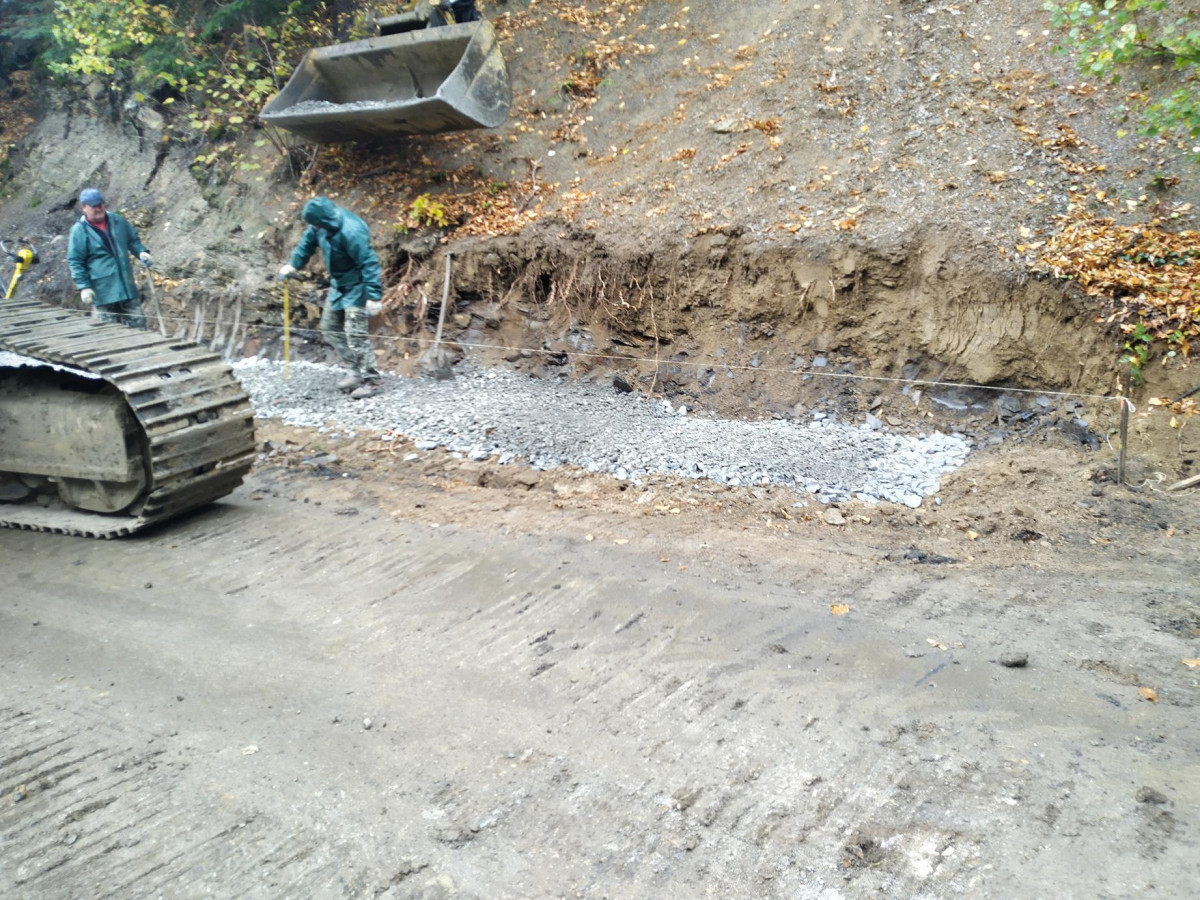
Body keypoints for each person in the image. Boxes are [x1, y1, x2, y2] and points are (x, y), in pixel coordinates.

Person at [280, 196, 384, 399]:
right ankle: (355, 371)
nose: (314, 227)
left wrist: (373, 296)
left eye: (315, 224)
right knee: (329, 326)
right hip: (338, 285)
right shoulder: (319, 226)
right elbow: (306, 244)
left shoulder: (351, 230)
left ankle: (372, 381)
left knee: (356, 336)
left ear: (324, 219)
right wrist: (293, 264)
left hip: (357, 286)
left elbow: (369, 262)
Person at [67, 188, 152, 329]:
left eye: (100, 204)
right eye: (94, 206)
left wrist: (141, 252)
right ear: (84, 207)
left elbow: (132, 240)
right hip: (102, 292)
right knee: (108, 330)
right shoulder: (79, 230)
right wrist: (84, 287)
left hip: (126, 287)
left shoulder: (117, 221)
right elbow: (76, 261)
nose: (98, 209)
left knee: (139, 327)